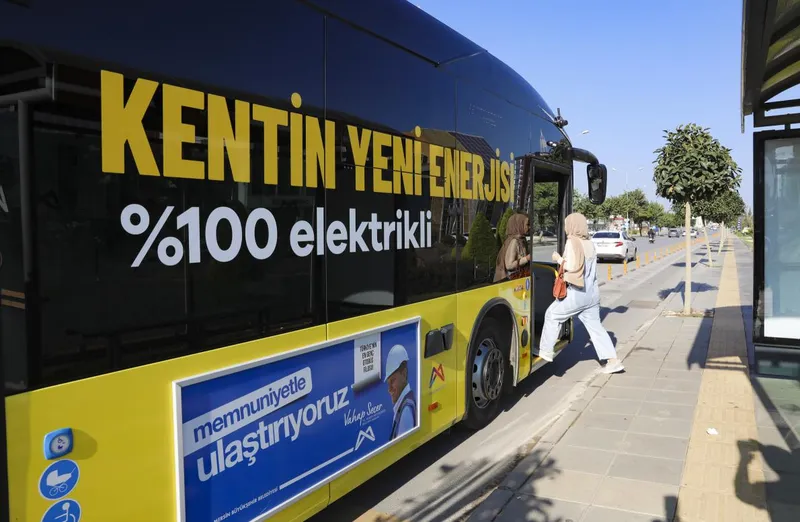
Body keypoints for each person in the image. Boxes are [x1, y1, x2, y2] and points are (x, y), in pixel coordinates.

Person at [537, 213, 624, 374]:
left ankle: (546, 351)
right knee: (596, 328)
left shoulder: (572, 242)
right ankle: (613, 361)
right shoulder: (589, 243)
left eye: (567, 224)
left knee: (552, 315)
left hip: (577, 293)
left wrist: (558, 259)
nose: (565, 228)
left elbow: (571, 267)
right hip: (592, 293)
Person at [385, 344, 417, 439]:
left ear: (404, 374)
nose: (389, 389)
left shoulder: (406, 410)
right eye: (388, 383)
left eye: (392, 381)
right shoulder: (403, 405)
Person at [494, 214, 531, 282]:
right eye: (527, 224)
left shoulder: (521, 240)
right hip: (511, 281)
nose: (529, 227)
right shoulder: (514, 241)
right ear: (519, 225)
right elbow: (509, 265)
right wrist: (527, 258)